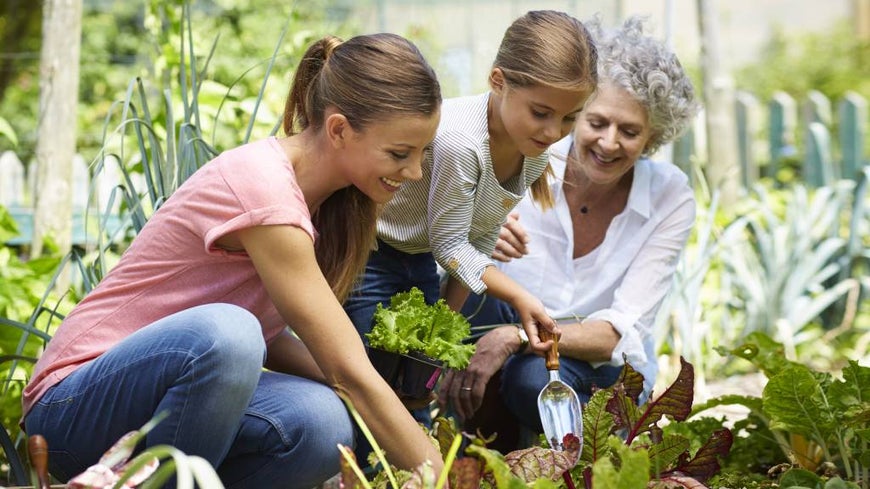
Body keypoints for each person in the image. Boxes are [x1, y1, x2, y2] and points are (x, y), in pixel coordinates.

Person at [21, 33, 444, 489]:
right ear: (339, 129)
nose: (416, 172)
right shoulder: (264, 190)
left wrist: (356, 386)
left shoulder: (327, 205)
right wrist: (445, 477)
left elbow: (270, 335)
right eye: (400, 153)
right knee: (230, 334)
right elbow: (340, 368)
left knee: (321, 424)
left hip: (166, 401)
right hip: (72, 407)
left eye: (423, 153)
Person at [439, 15, 701, 451]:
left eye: (630, 131)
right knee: (475, 299)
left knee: (531, 380)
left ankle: (585, 453)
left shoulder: (668, 196)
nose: (609, 143)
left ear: (653, 135)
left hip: (596, 366)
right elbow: (445, 245)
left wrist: (517, 338)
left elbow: (615, 336)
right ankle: (481, 445)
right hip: (507, 329)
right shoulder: (531, 155)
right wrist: (482, 228)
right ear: (575, 115)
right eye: (596, 122)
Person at [344, 9, 599, 359]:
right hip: (371, 254)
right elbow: (450, 246)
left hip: (418, 262)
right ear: (498, 81)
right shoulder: (462, 142)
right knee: (371, 373)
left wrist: (444, 322)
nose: (554, 132)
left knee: (418, 375)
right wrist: (518, 294)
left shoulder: (534, 150)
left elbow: (479, 240)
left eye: (570, 118)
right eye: (540, 113)